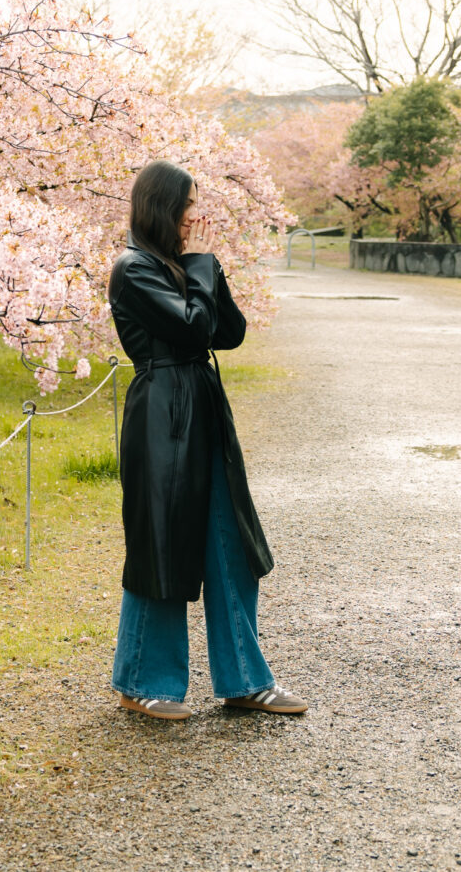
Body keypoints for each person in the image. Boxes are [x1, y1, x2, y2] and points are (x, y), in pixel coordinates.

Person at [106, 159, 307, 721]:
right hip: (162, 418)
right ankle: (142, 681)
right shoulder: (133, 268)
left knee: (231, 543)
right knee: (162, 549)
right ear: (162, 207)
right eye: (188, 205)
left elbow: (228, 332)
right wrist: (199, 265)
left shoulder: (177, 265)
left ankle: (244, 679)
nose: (197, 216)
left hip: (203, 410)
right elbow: (193, 328)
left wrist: (206, 267)